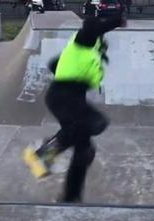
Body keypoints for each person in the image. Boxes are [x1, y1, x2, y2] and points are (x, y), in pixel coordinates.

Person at [23, 15, 126, 203]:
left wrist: (65, 67)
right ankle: (42, 155)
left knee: (84, 150)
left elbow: (54, 64)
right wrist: (115, 21)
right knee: (97, 122)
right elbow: (90, 27)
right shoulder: (83, 41)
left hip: (71, 99)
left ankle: (71, 196)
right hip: (63, 96)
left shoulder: (89, 56)